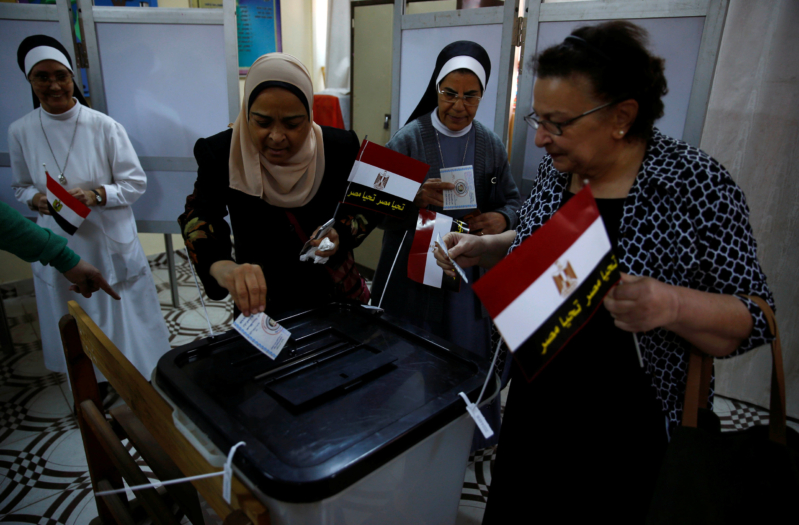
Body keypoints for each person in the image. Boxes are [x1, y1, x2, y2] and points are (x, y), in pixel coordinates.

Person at [435, 22, 775, 523]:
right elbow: (541, 249)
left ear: (622, 116)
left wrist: (671, 304)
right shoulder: (557, 174)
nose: (540, 137)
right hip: (539, 407)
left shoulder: (693, 184)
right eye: (538, 118)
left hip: (629, 427)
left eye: (559, 122)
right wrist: (485, 246)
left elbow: (757, 316)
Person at [370, 41, 522, 450]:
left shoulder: (490, 144)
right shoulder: (408, 139)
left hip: (466, 273)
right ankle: (396, 439)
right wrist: (412, 198)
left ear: (482, 96)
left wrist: (501, 218)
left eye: (470, 96)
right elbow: (373, 210)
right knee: (407, 355)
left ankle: (464, 440)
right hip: (410, 269)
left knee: (463, 357)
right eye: (449, 93)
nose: (459, 105)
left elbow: (513, 201)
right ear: (436, 90)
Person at [9, 35, 170, 379]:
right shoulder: (20, 131)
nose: (54, 85)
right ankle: (90, 381)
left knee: (125, 318)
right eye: (42, 77)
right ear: (30, 81)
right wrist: (36, 199)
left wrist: (97, 195)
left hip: (107, 238)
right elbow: (20, 187)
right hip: (59, 242)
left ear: (73, 78)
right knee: (74, 313)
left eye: (61, 76)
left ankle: (141, 375)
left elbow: (135, 183)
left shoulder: (104, 126)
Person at [179, 53, 376, 317]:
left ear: (309, 114)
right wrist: (223, 267)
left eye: (293, 124)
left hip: (331, 298)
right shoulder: (222, 152)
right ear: (246, 113)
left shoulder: (339, 147)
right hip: (262, 304)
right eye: (261, 122)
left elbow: (370, 205)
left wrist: (340, 234)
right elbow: (200, 216)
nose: (276, 137)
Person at [1, 201, 119, 299]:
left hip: (93, 232)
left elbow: (7, 222)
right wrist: (35, 199)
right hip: (53, 230)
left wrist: (64, 258)